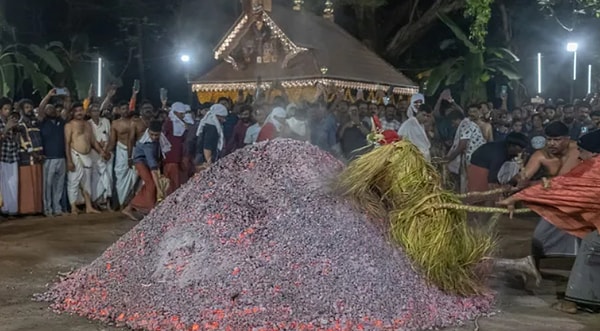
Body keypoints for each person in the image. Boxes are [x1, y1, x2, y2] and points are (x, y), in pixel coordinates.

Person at [498, 129, 600, 313]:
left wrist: (520, 196)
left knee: (592, 244)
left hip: (550, 193)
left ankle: (580, 300)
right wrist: (520, 188)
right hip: (546, 191)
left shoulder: (595, 167)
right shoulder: (542, 155)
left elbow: (567, 189)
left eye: (582, 153)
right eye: (550, 139)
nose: (580, 157)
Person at [518, 121, 582, 267]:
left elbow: (562, 180)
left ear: (567, 139)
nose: (552, 143)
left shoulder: (576, 150)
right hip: (559, 202)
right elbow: (524, 176)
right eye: (549, 139)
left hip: (582, 199)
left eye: (557, 139)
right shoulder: (541, 154)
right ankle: (539, 267)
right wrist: (517, 181)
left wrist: (532, 185)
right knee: (540, 236)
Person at [64, 103, 109, 215]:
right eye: (77, 110)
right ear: (73, 113)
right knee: (74, 181)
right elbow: (67, 144)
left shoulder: (88, 125)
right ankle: (73, 207)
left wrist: (102, 152)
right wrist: (69, 160)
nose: (79, 112)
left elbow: (93, 141)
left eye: (81, 110)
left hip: (87, 156)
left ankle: (89, 206)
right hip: (75, 155)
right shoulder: (69, 125)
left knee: (87, 182)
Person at [122, 120, 165, 221]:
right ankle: (149, 209)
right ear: (148, 132)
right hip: (140, 162)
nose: (154, 137)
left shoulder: (161, 139)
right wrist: (159, 188)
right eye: (152, 135)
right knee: (151, 184)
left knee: (150, 184)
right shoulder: (147, 144)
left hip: (150, 162)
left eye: (156, 135)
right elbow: (153, 168)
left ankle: (129, 208)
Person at [466, 132, 528, 201]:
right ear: (512, 146)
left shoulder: (508, 151)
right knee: (479, 196)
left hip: (491, 167)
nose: (522, 150)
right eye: (521, 147)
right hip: (480, 167)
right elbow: (492, 178)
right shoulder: (499, 154)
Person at [445, 108, 486, 193]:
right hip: (476, 158)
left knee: (473, 183)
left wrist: (449, 158)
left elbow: (462, 146)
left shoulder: (465, 124)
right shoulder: (468, 123)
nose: (453, 126)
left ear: (457, 119)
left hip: (475, 159)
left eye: (453, 123)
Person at [15, 99, 44, 215]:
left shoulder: (35, 122)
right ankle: (27, 210)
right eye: (26, 107)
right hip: (27, 158)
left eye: (30, 107)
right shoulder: (21, 124)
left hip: (37, 157)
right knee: (28, 184)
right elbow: (24, 141)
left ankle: (37, 208)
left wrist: (39, 155)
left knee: (37, 183)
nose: (29, 109)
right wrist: (34, 154)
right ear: (22, 110)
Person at [107, 102, 138, 208]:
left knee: (135, 178)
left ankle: (132, 203)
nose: (125, 111)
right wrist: (105, 152)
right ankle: (121, 204)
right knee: (120, 178)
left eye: (127, 108)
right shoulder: (115, 123)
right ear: (119, 110)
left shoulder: (135, 121)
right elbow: (112, 141)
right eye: (123, 109)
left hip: (134, 151)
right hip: (121, 152)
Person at [39, 103, 66, 216]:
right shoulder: (42, 122)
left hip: (61, 157)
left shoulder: (61, 121)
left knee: (59, 185)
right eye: (48, 109)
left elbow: (67, 107)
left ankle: (57, 208)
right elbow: (41, 107)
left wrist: (66, 96)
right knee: (48, 186)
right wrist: (49, 96)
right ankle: (47, 209)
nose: (51, 110)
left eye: (52, 108)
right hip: (48, 158)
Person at [88, 103, 113, 209]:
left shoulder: (106, 121)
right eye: (93, 110)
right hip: (94, 154)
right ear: (89, 112)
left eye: (97, 110)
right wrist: (99, 149)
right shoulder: (88, 124)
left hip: (107, 154)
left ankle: (107, 201)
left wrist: (106, 150)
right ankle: (96, 202)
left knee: (108, 177)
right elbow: (90, 140)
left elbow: (110, 136)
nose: (96, 112)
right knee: (96, 179)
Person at [162, 102, 188, 194]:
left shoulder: (182, 123)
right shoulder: (169, 123)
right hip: (170, 156)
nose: (183, 116)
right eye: (181, 114)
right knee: (171, 179)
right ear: (175, 113)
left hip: (178, 155)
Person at [0, 98, 19, 216]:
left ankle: (11, 209)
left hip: (12, 156)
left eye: (9, 109)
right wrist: (6, 128)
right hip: (2, 156)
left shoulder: (12, 122)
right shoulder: (3, 123)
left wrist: (15, 129)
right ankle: (3, 209)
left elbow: (16, 140)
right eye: (5, 109)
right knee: (2, 184)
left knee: (13, 183)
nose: (8, 111)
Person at [195, 104, 228, 168]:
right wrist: (209, 162)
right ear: (217, 116)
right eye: (222, 117)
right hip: (204, 161)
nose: (224, 120)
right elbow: (207, 146)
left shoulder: (208, 125)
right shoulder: (212, 128)